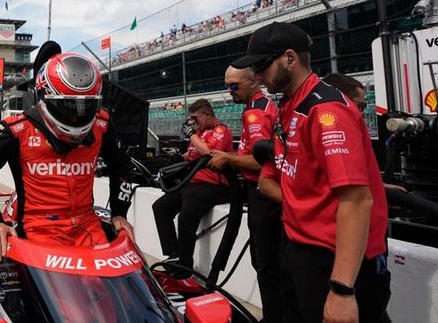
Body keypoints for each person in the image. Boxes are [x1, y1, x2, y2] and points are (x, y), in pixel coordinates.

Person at [231, 22, 390, 323]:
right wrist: (306, 206)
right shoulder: (288, 107)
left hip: (333, 259)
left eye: (262, 65)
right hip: (298, 247)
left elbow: (357, 201)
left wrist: (342, 290)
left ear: (290, 58)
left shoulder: (327, 111)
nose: (257, 76)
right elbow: (271, 180)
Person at [0, 52, 135, 263]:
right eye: (70, 106)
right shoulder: (16, 130)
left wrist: (119, 213)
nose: (78, 115)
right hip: (40, 229)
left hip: (87, 225)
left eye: (86, 106)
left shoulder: (102, 125)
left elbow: (123, 168)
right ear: (45, 96)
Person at [206, 66, 282, 323]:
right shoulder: (260, 106)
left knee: (266, 263)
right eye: (227, 86)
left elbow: (264, 162)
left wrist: (228, 158)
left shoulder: (255, 112)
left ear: (252, 82)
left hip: (263, 193)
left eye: (234, 86)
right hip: (263, 194)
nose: (229, 92)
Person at [152, 99, 232, 292]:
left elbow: (209, 155)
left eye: (195, 118)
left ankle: (185, 267)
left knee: (186, 218)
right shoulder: (200, 133)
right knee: (160, 207)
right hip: (192, 183)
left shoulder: (220, 130)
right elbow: (192, 155)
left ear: (206, 114)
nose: (192, 122)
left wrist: (192, 136)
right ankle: (174, 254)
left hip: (213, 185)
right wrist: (176, 157)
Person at [322, 73, 407, 194]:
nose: (362, 113)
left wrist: (380, 187)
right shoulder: (336, 139)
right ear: (342, 102)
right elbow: (349, 192)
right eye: (360, 106)